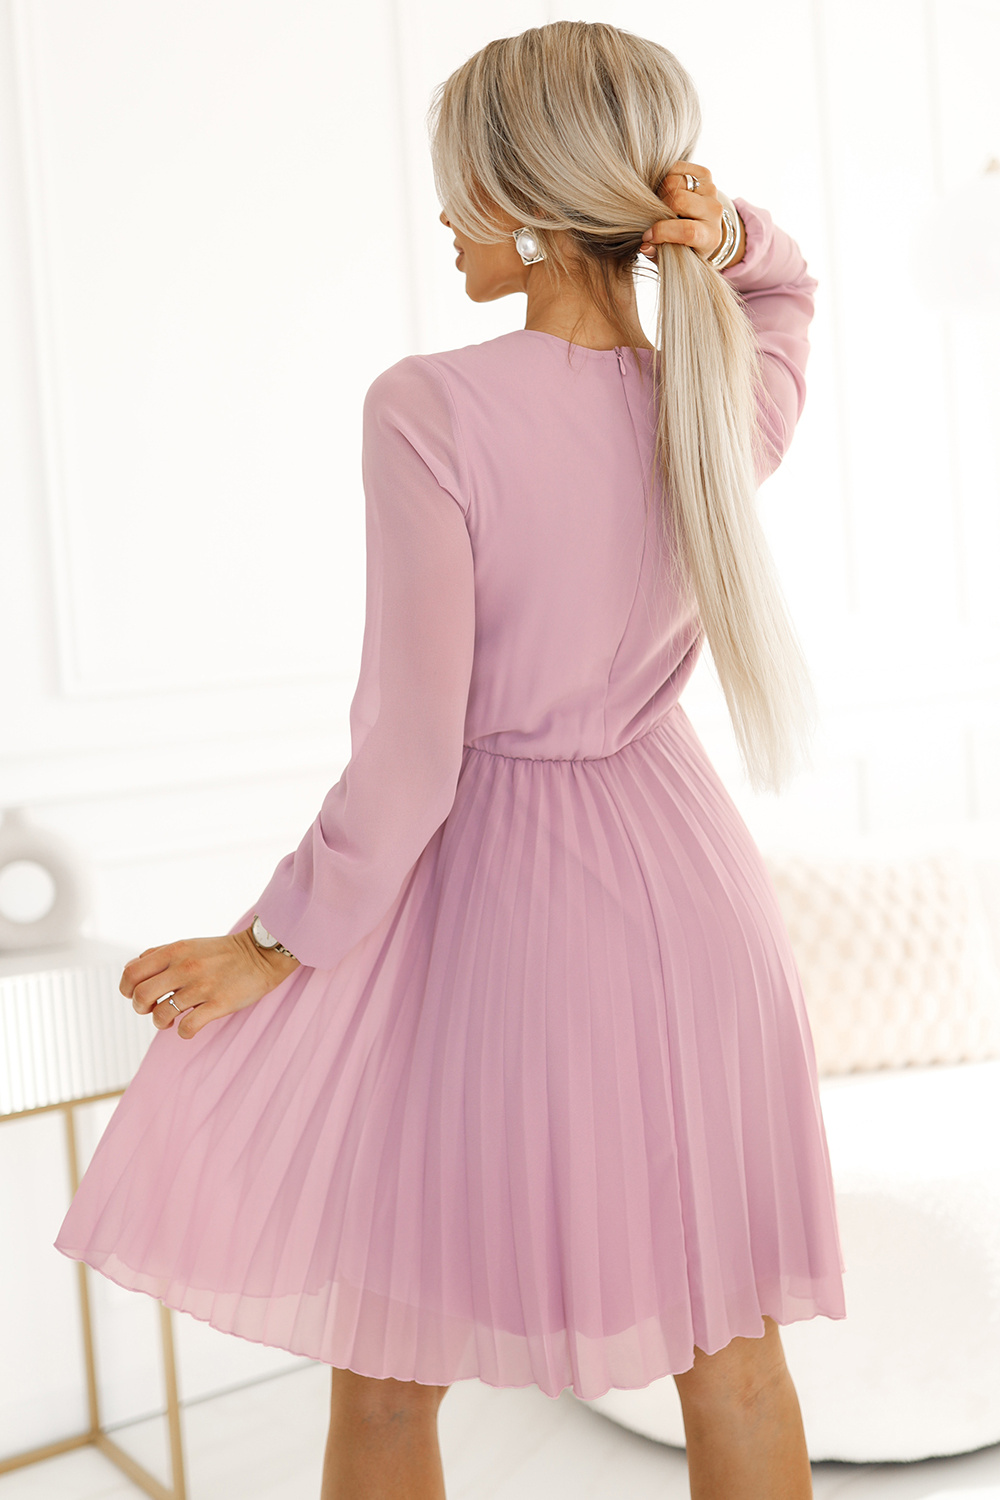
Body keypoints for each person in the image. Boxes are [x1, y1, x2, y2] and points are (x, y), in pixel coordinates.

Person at [54, 21, 846, 1500]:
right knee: (735, 1361)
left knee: (385, 1379)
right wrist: (724, 230)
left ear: (525, 201)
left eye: (457, 185)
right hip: (701, 905)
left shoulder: (430, 406)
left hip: (501, 912)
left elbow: (412, 761)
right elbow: (782, 286)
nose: (441, 217)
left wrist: (266, 946)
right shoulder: (715, 391)